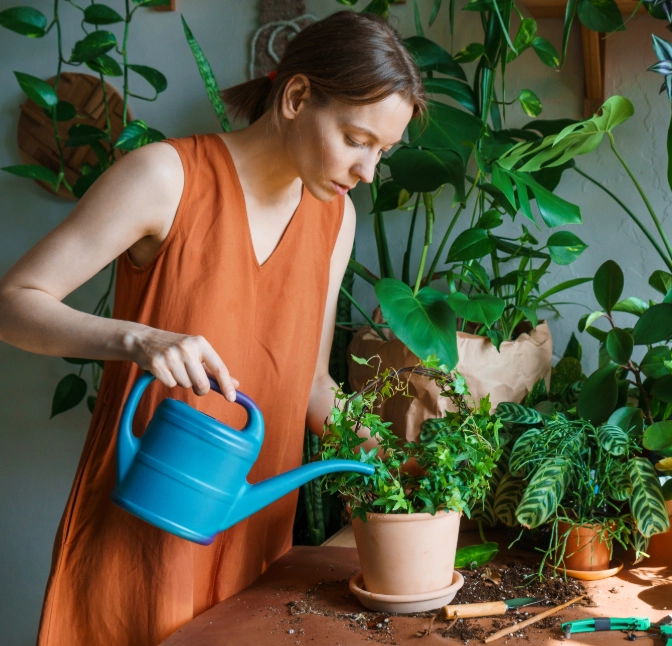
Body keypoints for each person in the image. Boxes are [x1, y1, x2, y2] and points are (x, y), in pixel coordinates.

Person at [0, 11, 424, 645]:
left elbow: (311, 385)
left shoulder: (336, 220)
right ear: (296, 97)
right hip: (141, 542)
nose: (367, 171)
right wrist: (138, 339)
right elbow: (13, 302)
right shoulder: (164, 177)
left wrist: (400, 462)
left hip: (254, 548)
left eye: (382, 151)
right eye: (356, 139)